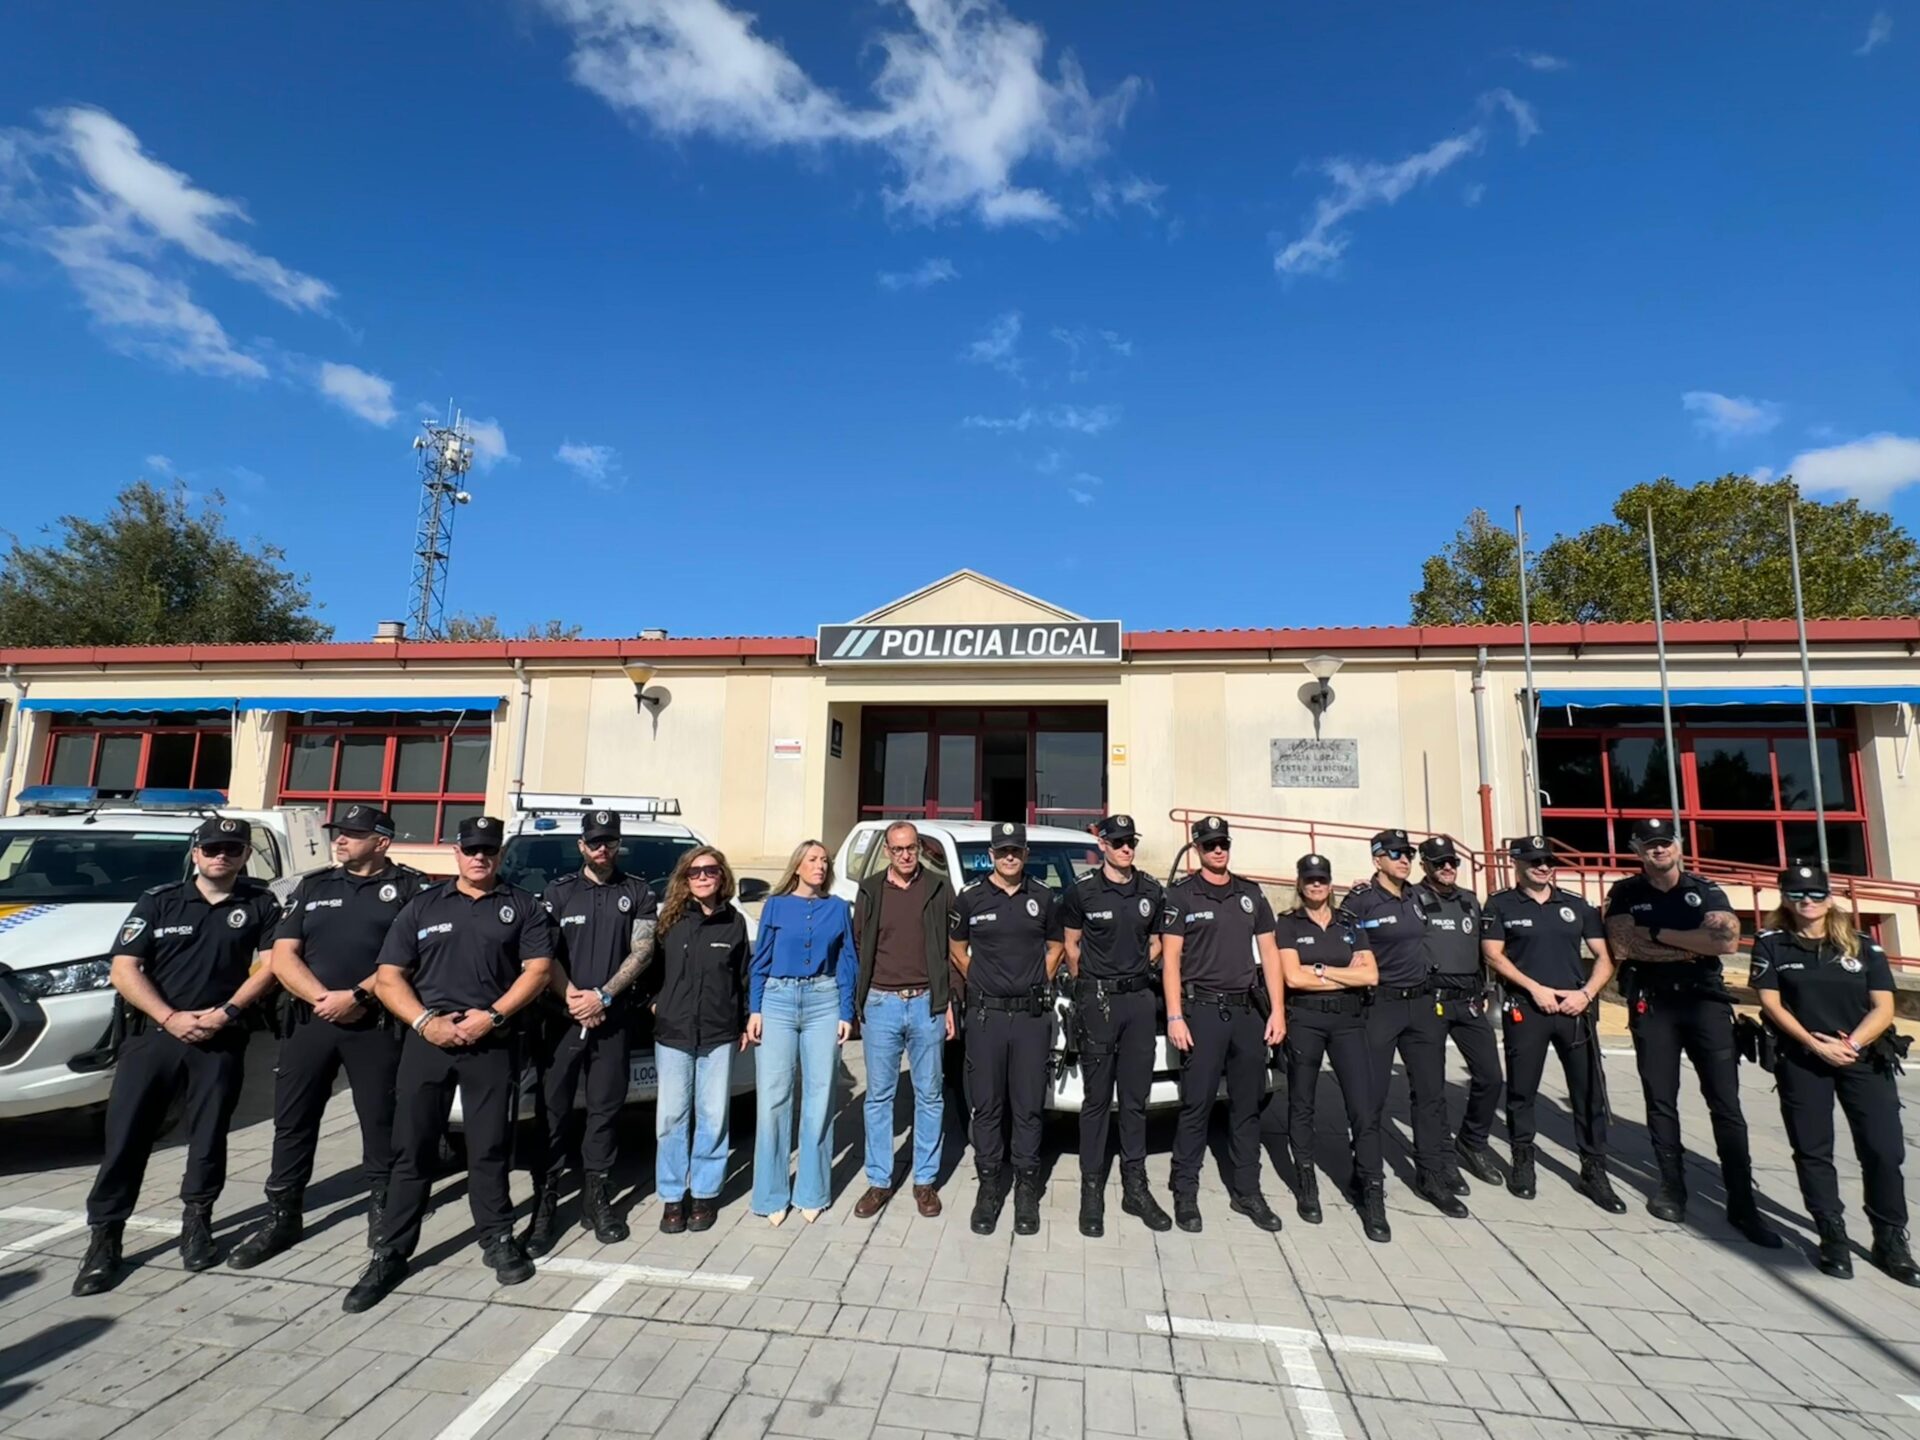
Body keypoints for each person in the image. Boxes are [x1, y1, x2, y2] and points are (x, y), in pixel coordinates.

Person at [342, 816, 557, 1313]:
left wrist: (494, 1015)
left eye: (488, 850)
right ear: (456, 854)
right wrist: (424, 1023)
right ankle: (390, 1252)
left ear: (498, 855)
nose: (479, 857)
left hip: (492, 1040)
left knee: (490, 1147)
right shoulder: (422, 906)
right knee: (411, 1149)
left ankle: (497, 1238)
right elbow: (389, 976)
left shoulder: (523, 906)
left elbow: (539, 970)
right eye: (470, 850)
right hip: (428, 1040)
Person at [72, 816, 282, 1296]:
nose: (220, 856)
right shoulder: (159, 900)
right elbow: (124, 969)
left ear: (245, 855)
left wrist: (227, 1012)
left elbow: (272, 966)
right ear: (196, 854)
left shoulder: (259, 904)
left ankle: (197, 1226)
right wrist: (169, 1017)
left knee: (209, 1138)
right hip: (155, 1036)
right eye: (212, 849)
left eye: (231, 848)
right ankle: (105, 1240)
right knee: (126, 1136)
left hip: (220, 1035)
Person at [228, 805, 430, 1271]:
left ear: (382, 842)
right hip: (311, 1022)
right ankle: (283, 1214)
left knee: (380, 1120)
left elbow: (412, 960)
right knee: (293, 1120)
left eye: (352, 834)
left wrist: (358, 995)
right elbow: (282, 956)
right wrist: (324, 998)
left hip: (375, 1023)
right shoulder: (312, 886)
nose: (340, 840)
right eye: (338, 833)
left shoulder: (410, 890)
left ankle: (384, 1210)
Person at [1604, 817, 1781, 1247]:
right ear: (1637, 849)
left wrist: (1659, 933)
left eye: (1664, 843)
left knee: (1725, 1102)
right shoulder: (1625, 892)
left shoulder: (1706, 888)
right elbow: (1625, 947)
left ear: (1677, 846)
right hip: (1653, 1002)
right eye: (1650, 845)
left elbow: (1726, 942)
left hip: (1705, 1000)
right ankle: (1671, 1186)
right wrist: (1692, 938)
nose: (1658, 851)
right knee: (1660, 1099)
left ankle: (1741, 1200)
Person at [1752, 863, 1918, 1284]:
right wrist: (1815, 1043)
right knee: (1813, 1149)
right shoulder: (1772, 944)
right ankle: (1832, 1235)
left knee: (1883, 1149)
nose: (1807, 902)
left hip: (1862, 1057)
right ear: (1784, 898)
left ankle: (1890, 1238)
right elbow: (1772, 1004)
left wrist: (1852, 1045)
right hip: (1805, 1057)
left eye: (1815, 894)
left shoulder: (1862, 946)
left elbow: (1883, 1006)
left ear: (1830, 897)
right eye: (1797, 894)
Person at [523, 809, 656, 1255]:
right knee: (553, 1111)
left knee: (605, 1110)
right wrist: (575, 999)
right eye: (595, 842)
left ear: (619, 846)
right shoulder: (557, 892)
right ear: (581, 845)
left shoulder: (636, 891)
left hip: (612, 1021)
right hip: (561, 1020)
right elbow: (545, 954)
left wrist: (603, 996)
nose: (603, 849)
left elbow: (643, 951)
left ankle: (596, 1198)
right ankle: (545, 1202)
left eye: (611, 842)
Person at [1480, 836, 1626, 1212]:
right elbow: (1493, 955)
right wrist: (1534, 988)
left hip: (1574, 1009)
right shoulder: (1500, 905)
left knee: (1589, 1092)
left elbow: (1604, 957)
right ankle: (1523, 1161)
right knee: (1522, 1091)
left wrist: (1588, 994)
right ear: (1517, 864)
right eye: (1534, 861)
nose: (1543, 867)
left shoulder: (1576, 906)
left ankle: (1593, 1169)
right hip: (1528, 1008)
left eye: (1548, 860)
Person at [1160, 815, 1286, 1234]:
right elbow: (1171, 960)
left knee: (1247, 1106)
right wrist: (1175, 1014)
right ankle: (1185, 1191)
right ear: (1197, 848)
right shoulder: (1181, 896)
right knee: (1196, 1106)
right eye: (1211, 844)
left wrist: (1278, 1011)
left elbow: (1269, 955)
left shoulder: (1250, 894)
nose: (1219, 850)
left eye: (1224, 844)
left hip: (1247, 1014)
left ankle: (1248, 1191)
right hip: (1202, 1014)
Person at [1341, 829, 1468, 1218]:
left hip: (1422, 1005)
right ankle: (1365, 1175)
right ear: (1376, 858)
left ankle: (1431, 1174)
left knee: (1430, 1095)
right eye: (1395, 853)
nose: (1404, 859)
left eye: (1408, 853)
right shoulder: (1359, 901)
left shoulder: (1416, 895)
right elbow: (1346, 951)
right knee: (1371, 1099)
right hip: (1380, 1007)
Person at [1058, 814, 1171, 1237]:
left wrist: (1140, 969)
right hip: (1098, 1001)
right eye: (1119, 842)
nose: (1127, 849)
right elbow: (1071, 945)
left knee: (1136, 1099)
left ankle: (1135, 1187)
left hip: (1139, 1001)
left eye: (1131, 842)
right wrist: (1090, 984)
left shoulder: (1150, 889)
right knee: (1097, 1100)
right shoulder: (1082, 892)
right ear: (1102, 845)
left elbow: (1158, 940)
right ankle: (1091, 1191)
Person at [951, 821, 1062, 1237]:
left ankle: (1027, 1188)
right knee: (988, 1104)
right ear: (992, 855)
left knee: (1029, 1104)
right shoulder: (971, 899)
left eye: (1016, 851)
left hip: (1032, 1018)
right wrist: (978, 975)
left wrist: (1041, 979)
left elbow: (1055, 947)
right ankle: (990, 1186)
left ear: (1025, 855)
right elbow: (956, 947)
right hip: (986, 1018)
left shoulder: (1044, 898)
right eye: (1002, 851)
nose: (1010, 857)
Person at [1275, 852, 1389, 1242]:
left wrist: (1320, 971)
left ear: (1330, 883)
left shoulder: (1349, 922)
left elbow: (1370, 975)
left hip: (1348, 1021)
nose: (1316, 886)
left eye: (1321, 879)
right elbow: (1292, 977)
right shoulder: (1288, 925)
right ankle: (1306, 1179)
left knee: (1363, 1104)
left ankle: (1371, 1189)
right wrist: (1345, 974)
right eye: (1309, 880)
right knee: (1302, 1102)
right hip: (1305, 1019)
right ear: (1300, 884)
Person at [851, 821, 956, 1221]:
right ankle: (879, 1180)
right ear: (887, 852)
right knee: (879, 1096)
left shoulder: (938, 888)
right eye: (898, 849)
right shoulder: (871, 889)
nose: (906, 855)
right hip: (882, 1003)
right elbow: (861, 943)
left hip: (927, 1003)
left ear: (920, 849)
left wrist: (948, 1003)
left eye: (911, 847)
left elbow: (951, 948)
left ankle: (924, 1181)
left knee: (929, 1095)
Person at [644, 846, 751, 1235]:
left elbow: (742, 979)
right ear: (684, 880)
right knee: (671, 1117)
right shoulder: (668, 922)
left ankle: (704, 1193)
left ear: (722, 876)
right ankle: (673, 1196)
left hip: (719, 1034)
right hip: (673, 1034)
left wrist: (741, 1024)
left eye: (710, 870)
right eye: (695, 872)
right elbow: (648, 971)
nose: (703, 877)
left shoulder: (734, 923)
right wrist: (655, 1005)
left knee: (713, 1115)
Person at [748, 839, 856, 1224]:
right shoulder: (775, 906)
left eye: (824, 860)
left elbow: (847, 962)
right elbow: (759, 960)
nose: (820, 866)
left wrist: (846, 1011)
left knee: (820, 1096)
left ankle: (812, 1190)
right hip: (777, 1000)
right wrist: (755, 1008)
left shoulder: (838, 908)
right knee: (775, 1098)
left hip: (823, 1000)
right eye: (812, 859)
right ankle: (771, 1195)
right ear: (797, 866)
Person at [1415, 835, 1503, 1193]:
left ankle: (1472, 1140)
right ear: (1425, 866)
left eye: (1452, 862)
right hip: (1429, 1001)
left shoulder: (1470, 901)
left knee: (1491, 1076)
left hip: (1468, 1001)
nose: (1448, 868)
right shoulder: (1411, 899)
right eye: (1439, 863)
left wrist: (1485, 988)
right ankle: (1440, 1160)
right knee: (1431, 1089)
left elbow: (1483, 950)